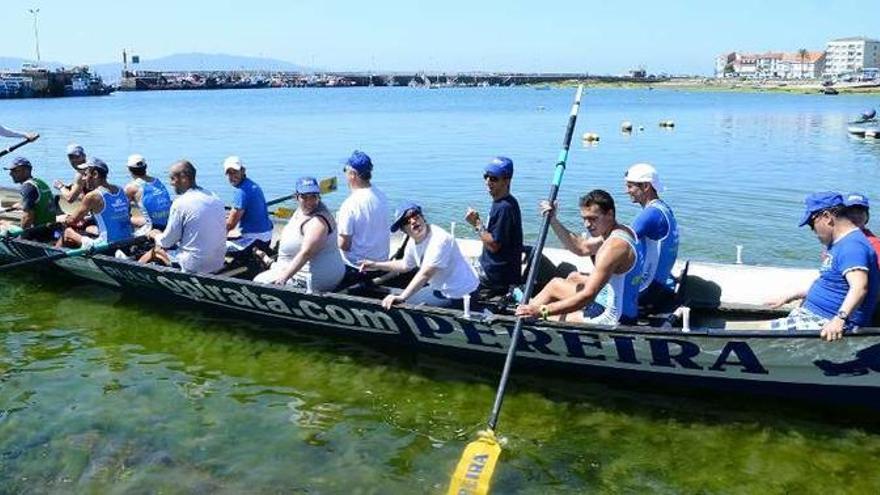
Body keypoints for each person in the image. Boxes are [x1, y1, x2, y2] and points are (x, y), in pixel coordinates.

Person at [516, 189, 645, 326]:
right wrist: (553, 219)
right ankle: (526, 309)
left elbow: (587, 296)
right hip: (621, 305)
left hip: (611, 317)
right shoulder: (622, 231)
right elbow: (581, 247)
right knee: (558, 283)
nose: (587, 225)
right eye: (584, 218)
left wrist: (542, 311)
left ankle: (524, 314)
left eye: (593, 219)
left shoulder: (612, 248)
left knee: (545, 315)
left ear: (610, 214)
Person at [766, 192, 879, 341]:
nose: (813, 231)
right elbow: (833, 282)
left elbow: (859, 287)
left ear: (827, 217)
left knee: (745, 330)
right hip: (811, 315)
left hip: (824, 321)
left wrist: (839, 320)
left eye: (812, 224)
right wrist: (793, 295)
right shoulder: (840, 243)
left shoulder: (853, 246)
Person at [360, 202, 479, 310]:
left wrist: (401, 297)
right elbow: (405, 265)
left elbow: (425, 274)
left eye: (415, 215)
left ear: (423, 217)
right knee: (409, 299)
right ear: (403, 230)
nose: (413, 221)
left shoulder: (439, 239)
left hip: (460, 292)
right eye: (406, 221)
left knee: (406, 304)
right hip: (440, 288)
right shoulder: (414, 240)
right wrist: (375, 264)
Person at [254, 177, 345, 291]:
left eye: (313, 196)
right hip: (292, 267)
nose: (310, 201)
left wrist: (284, 278)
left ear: (319, 196)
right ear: (296, 197)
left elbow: (307, 253)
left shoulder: (318, 222)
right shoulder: (302, 210)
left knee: (258, 283)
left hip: (313, 280)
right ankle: (270, 262)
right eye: (304, 197)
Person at [142, 160, 226, 274]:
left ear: (184, 178)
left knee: (156, 250)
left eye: (172, 178)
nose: (171, 183)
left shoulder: (180, 203)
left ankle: (130, 274)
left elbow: (167, 242)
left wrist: (155, 235)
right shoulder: (215, 197)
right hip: (218, 262)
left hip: (194, 266)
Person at [464, 156, 523, 300]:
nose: (488, 182)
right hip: (492, 268)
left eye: (494, 178)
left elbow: (493, 245)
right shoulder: (503, 202)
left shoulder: (504, 208)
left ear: (507, 180)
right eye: (486, 176)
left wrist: (477, 223)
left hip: (494, 277)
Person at [337, 150, 390, 287]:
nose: (344, 175)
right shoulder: (381, 196)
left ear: (353, 175)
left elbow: (344, 245)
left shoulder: (350, 204)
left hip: (356, 268)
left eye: (345, 171)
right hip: (381, 263)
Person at [59, 158, 132, 248]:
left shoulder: (92, 196)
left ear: (95, 174)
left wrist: (63, 219)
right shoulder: (120, 190)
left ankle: (52, 255)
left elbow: (73, 220)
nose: (83, 178)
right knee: (90, 229)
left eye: (85, 174)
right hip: (129, 239)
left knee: (67, 232)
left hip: (106, 245)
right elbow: (127, 212)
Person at [3, 156, 60, 241]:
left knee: (3, 224)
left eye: (15, 170)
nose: (10, 174)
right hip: (50, 229)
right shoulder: (40, 182)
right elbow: (39, 202)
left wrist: (21, 237)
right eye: (11, 171)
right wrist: (22, 205)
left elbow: (28, 217)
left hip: (37, 234)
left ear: (27, 170)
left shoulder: (27, 187)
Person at [223, 156, 273, 251]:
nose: (232, 176)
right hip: (266, 237)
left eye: (235, 172)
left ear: (243, 171)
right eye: (229, 173)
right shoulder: (252, 185)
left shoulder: (241, 192)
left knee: (214, 247)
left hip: (255, 241)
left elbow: (230, 225)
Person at [124, 154, 172, 236]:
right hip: (168, 224)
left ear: (129, 170)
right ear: (145, 167)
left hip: (152, 228)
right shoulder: (157, 181)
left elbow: (122, 209)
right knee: (138, 219)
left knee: (125, 220)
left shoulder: (131, 187)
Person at [842, 192, 880, 268]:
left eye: (860, 212)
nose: (856, 216)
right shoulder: (835, 238)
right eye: (851, 212)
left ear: (867, 216)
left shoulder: (873, 244)